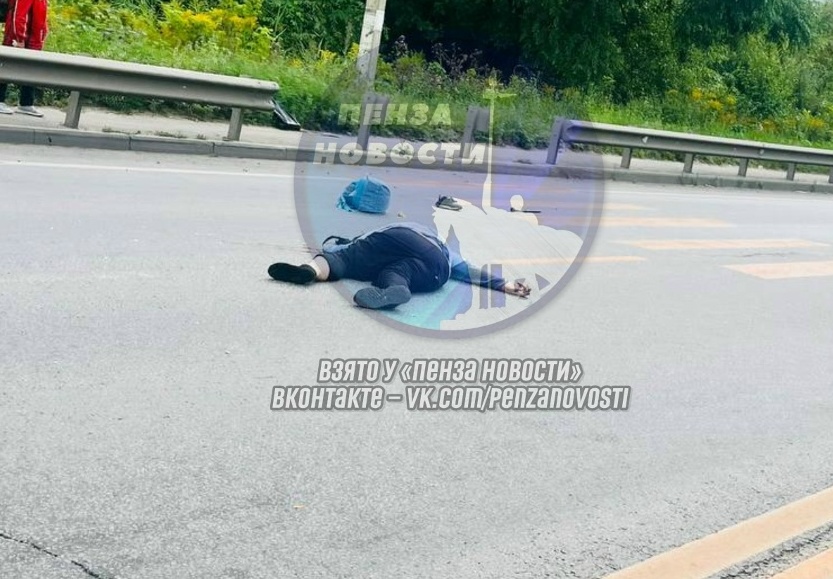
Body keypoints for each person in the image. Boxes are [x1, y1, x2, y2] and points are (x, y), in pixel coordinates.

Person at [268, 222, 532, 310]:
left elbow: (344, 251)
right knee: (396, 273)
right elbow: (469, 271)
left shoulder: (389, 231)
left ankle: (309, 271)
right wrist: (505, 284)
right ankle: (393, 291)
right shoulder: (446, 250)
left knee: (343, 259)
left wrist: (329, 251)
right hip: (437, 268)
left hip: (400, 237)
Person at [0, 0, 48, 117]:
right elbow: (19, 15)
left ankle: (26, 103)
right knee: (7, 67)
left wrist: (43, 35)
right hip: (19, 38)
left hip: (33, 40)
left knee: (31, 70)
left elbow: (40, 17)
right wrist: (19, 38)